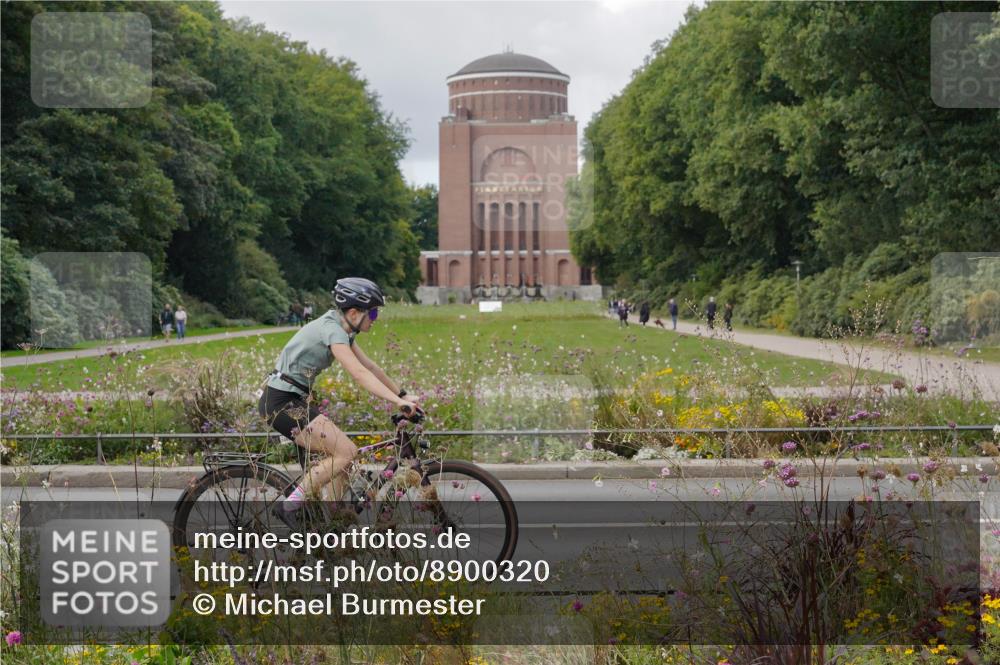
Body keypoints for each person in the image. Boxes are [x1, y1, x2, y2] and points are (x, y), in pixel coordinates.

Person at [259, 277, 418, 528]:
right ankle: (289, 505)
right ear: (354, 312)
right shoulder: (332, 330)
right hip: (280, 401)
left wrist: (403, 393)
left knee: (343, 459)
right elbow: (359, 373)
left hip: (293, 399)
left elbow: (371, 367)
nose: (375, 318)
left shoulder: (343, 330)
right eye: (373, 312)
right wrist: (397, 403)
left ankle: (334, 527)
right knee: (347, 452)